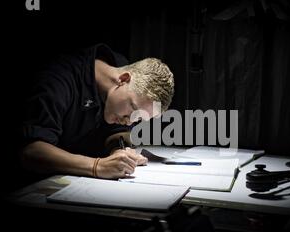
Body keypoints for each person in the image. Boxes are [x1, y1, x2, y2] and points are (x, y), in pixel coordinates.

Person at [19, 43, 174, 179]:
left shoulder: (119, 68)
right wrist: (97, 166)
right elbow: (32, 151)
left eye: (140, 119)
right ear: (123, 79)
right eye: (133, 109)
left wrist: (119, 151)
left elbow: (118, 131)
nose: (130, 121)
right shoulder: (58, 79)